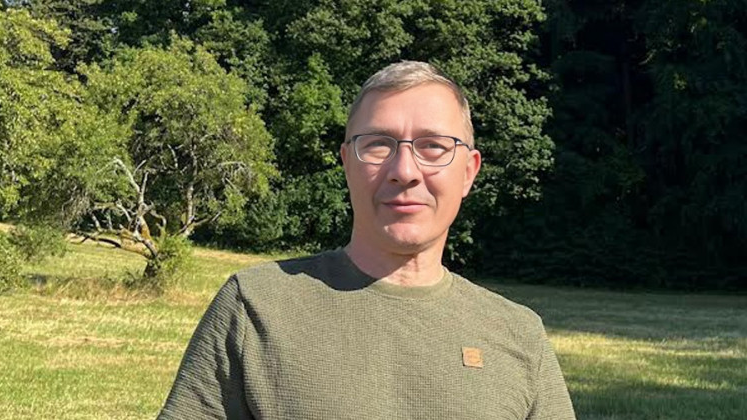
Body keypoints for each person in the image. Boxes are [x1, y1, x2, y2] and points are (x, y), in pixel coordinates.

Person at [158, 61, 576, 419]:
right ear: (347, 164)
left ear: (468, 172)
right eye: (378, 145)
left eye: (433, 146)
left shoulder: (519, 336)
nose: (404, 171)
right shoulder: (256, 306)